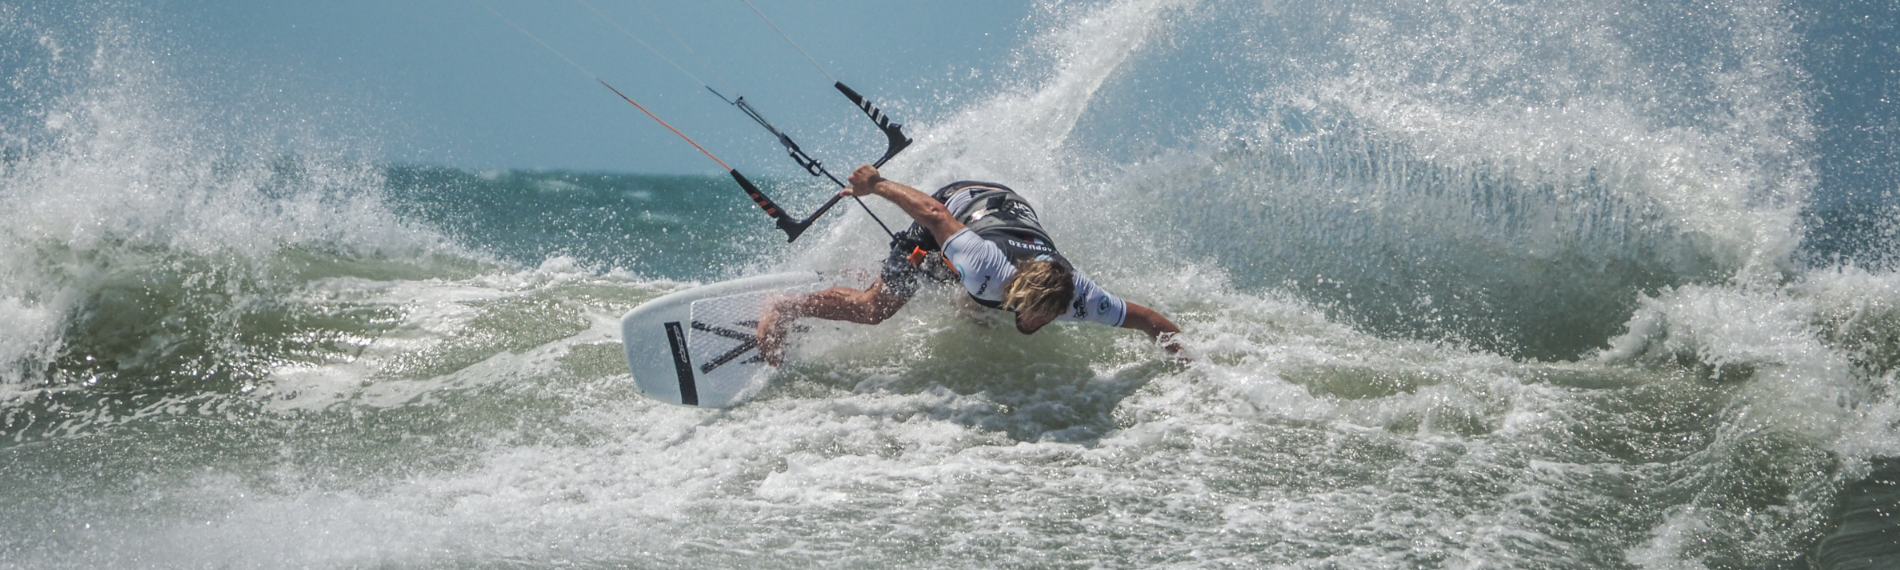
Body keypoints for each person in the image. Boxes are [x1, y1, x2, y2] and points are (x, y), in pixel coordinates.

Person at [756, 165, 1184, 365]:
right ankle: (785, 306)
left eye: (1046, 318)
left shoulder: (1082, 298)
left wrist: (1194, 367)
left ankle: (868, 274)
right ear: (1015, 291)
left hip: (1004, 204)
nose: (1037, 325)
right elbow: (935, 215)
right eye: (1034, 315)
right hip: (958, 204)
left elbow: (1150, 320)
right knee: (876, 309)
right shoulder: (986, 267)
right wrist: (876, 185)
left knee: (973, 312)